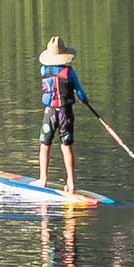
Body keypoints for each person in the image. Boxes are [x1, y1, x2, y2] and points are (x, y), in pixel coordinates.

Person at [36, 37, 89, 196]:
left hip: (50, 112)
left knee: (45, 144)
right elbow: (80, 93)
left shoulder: (43, 70)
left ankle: (43, 179)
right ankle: (71, 183)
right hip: (65, 113)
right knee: (66, 146)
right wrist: (84, 100)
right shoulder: (70, 72)